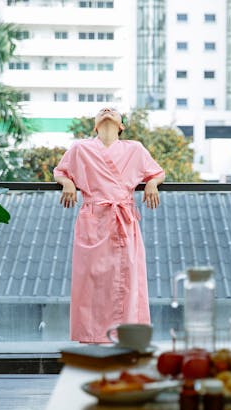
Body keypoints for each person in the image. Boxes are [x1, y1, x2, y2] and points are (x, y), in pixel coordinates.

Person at [53, 107, 165, 343]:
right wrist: (67, 183)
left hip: (123, 219)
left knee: (128, 279)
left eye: (113, 111)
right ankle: (91, 337)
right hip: (92, 219)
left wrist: (152, 183)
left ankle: (127, 335)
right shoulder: (80, 148)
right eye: (102, 111)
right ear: (95, 124)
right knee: (90, 281)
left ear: (121, 125)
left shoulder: (134, 149)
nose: (107, 110)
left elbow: (157, 172)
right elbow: (60, 171)